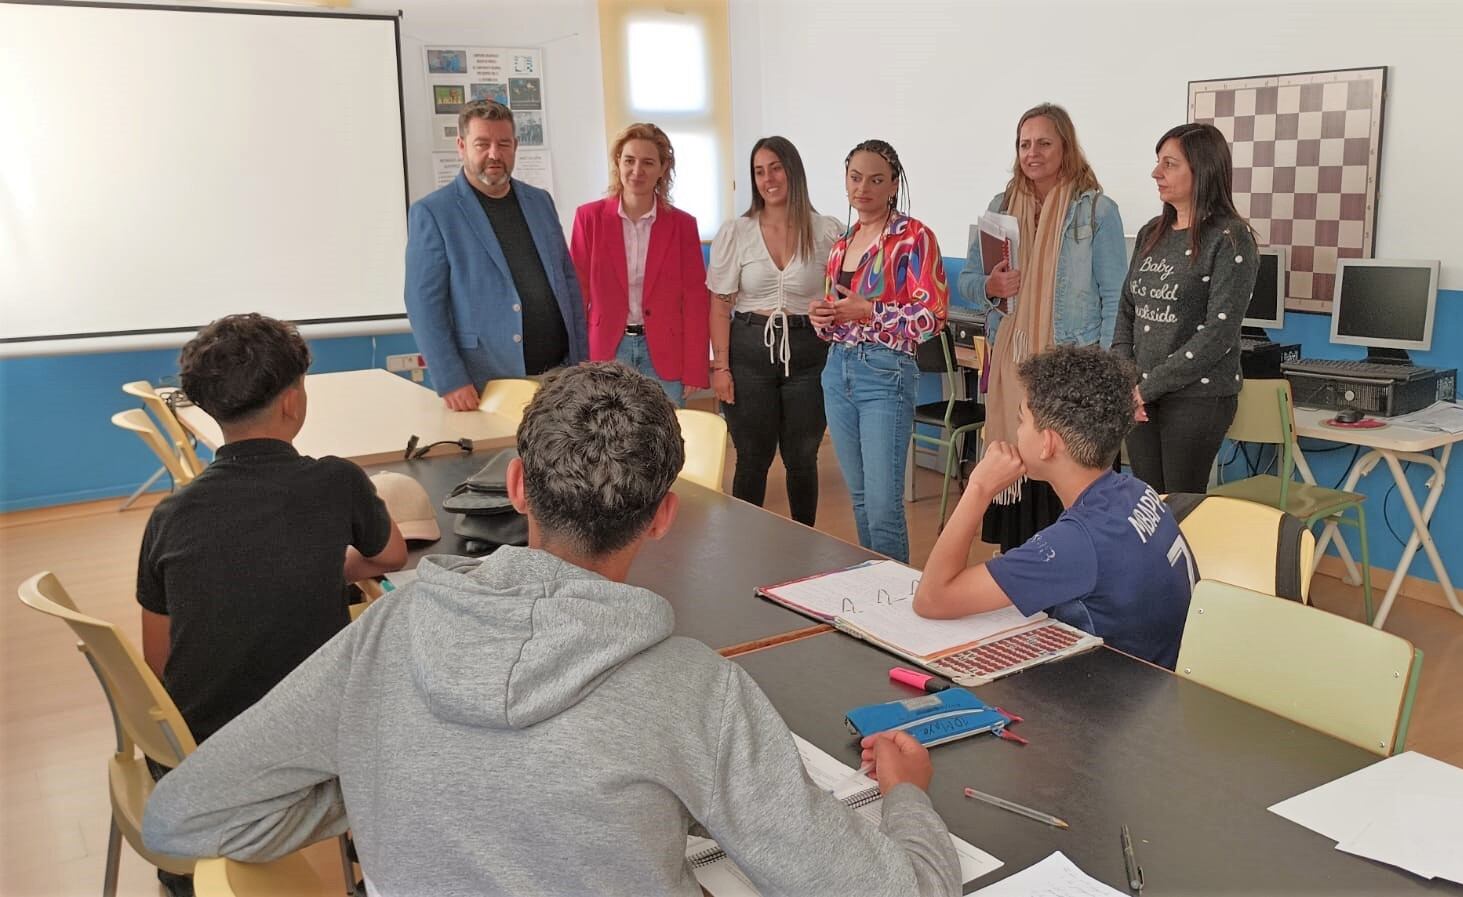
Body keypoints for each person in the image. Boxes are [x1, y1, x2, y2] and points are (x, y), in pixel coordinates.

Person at [142, 362, 962, 897]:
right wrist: (906, 798)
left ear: (516, 485)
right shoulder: (696, 691)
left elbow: (177, 815)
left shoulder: (388, 634)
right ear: (663, 516)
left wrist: (387, 770)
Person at [137, 313, 406, 895]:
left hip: (200, 757)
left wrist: (304, 570)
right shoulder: (336, 481)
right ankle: (375, 861)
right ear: (292, 401)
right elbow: (391, 556)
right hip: (299, 754)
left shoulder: (170, 516)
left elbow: (158, 661)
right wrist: (333, 566)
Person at [911, 344, 1195, 669]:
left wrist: (978, 488)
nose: (1016, 433)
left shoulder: (1077, 543)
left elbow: (931, 599)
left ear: (1047, 444)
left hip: (1118, 694)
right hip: (1164, 680)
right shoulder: (1136, 490)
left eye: (1022, 421)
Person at [959, 102, 1128, 552]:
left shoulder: (1096, 212)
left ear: (1066, 147)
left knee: (1067, 480)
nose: (1032, 153)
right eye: (1024, 144)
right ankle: (1022, 569)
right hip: (1012, 370)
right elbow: (969, 282)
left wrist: (1104, 374)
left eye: (1044, 143)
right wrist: (991, 286)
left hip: (1070, 371)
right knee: (1019, 471)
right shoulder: (999, 210)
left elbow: (1115, 298)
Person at [809, 140, 947, 563]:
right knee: (860, 499)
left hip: (885, 374)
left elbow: (933, 316)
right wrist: (823, 317)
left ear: (893, 185)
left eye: (875, 179)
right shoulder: (841, 243)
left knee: (884, 506)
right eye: (855, 178)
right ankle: (873, 590)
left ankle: (896, 598)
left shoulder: (915, 237)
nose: (862, 188)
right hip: (838, 371)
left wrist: (871, 311)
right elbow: (837, 316)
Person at [404, 99, 587, 411]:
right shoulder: (434, 213)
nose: (494, 154)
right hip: (484, 384)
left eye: (503, 144)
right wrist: (451, 379)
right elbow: (423, 304)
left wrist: (582, 362)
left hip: (560, 378)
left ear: (515, 146)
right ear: (461, 146)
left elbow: (568, 284)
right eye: (482, 144)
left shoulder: (540, 202)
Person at [1112, 122, 1260, 493]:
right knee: (1148, 503)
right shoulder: (1151, 232)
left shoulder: (1231, 238)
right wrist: (1126, 380)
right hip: (1140, 393)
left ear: (1202, 170)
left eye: (1170, 164)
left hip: (1196, 397)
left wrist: (1145, 389)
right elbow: (1127, 309)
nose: (1156, 173)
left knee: (1181, 507)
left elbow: (1218, 333)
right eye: (1158, 162)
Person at [707, 137, 842, 523]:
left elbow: (842, 295)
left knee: (802, 457)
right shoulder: (737, 231)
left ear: (793, 170)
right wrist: (721, 367)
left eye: (776, 168)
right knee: (752, 457)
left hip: (809, 353)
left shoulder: (827, 231)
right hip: (749, 351)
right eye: (759, 171)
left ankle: (804, 545)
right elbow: (719, 306)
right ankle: (747, 544)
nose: (768, 179)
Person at [571, 123, 709, 407]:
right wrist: (577, 358)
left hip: (665, 353)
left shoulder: (682, 225)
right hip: (607, 351)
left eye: (648, 162)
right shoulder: (589, 218)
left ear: (663, 168)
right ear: (617, 162)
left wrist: (695, 366)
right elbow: (577, 294)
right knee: (607, 431)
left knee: (665, 431)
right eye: (629, 160)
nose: (637, 171)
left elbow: (695, 301)